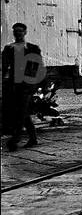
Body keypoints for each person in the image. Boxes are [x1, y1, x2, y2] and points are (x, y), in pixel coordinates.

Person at [2, 23, 44, 151]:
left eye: (20, 31)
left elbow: (35, 68)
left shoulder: (32, 49)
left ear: (25, 32)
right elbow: (4, 67)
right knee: (22, 112)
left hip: (26, 86)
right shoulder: (8, 49)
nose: (18, 33)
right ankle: (33, 138)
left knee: (20, 112)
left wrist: (32, 85)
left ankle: (15, 139)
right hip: (13, 86)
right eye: (16, 31)